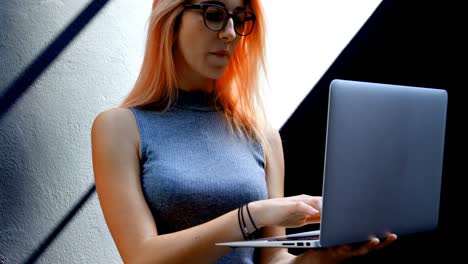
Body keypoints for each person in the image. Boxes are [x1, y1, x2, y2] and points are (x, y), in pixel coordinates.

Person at [91, 0, 397, 263]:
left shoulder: (261, 135)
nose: (230, 32)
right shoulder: (119, 128)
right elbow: (142, 257)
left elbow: (274, 258)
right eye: (214, 14)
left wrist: (326, 256)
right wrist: (253, 214)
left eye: (240, 18)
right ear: (172, 21)